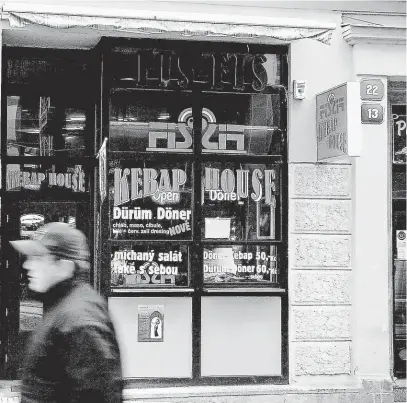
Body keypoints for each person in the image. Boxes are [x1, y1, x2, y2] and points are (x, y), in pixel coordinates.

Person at [10, 222, 123, 403]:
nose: (27, 265)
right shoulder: (61, 306)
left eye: (38, 258)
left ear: (65, 266)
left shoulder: (79, 321)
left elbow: (99, 395)